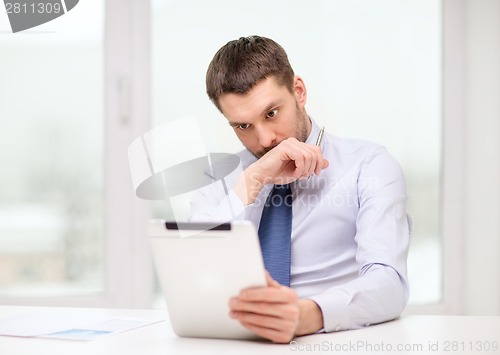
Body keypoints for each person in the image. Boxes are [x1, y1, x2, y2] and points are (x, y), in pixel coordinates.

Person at [191, 35, 410, 344]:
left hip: (332, 340)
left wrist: (306, 315)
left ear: (299, 91)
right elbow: (193, 271)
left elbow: (390, 285)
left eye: (271, 113)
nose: (264, 139)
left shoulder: (369, 166)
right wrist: (253, 180)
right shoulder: (219, 179)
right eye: (243, 126)